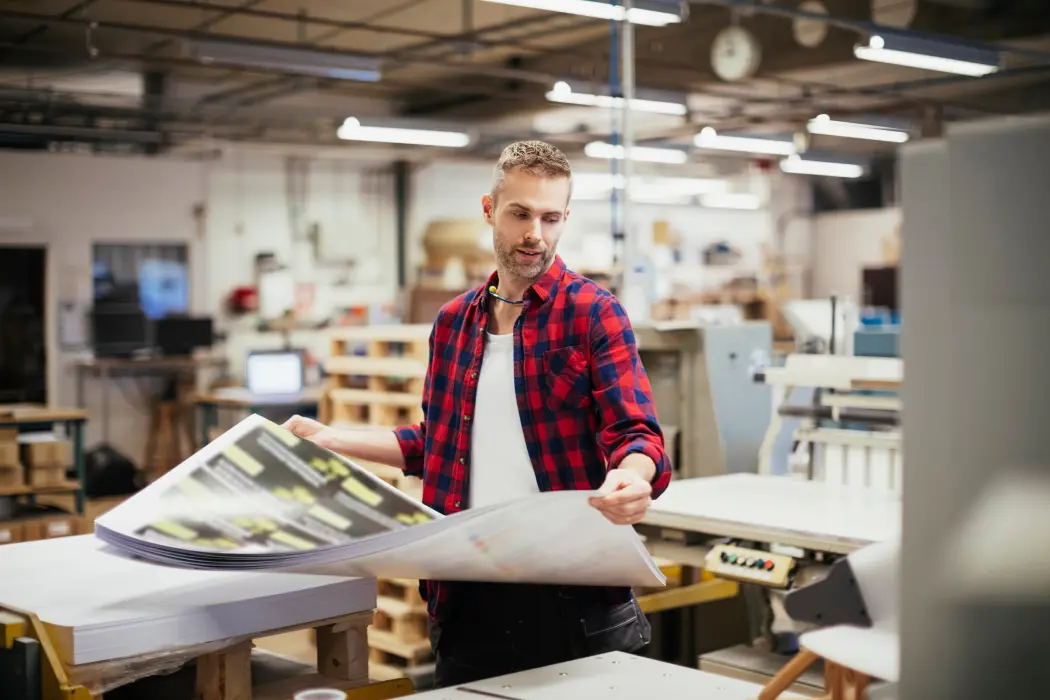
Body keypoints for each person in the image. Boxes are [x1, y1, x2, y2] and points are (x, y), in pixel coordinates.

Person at [284, 140, 671, 687]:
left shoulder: (594, 314)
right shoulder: (452, 323)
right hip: (466, 597)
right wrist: (335, 440)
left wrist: (634, 479)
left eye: (550, 217)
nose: (534, 232)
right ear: (490, 210)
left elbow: (636, 433)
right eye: (520, 213)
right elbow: (435, 444)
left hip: (573, 600)